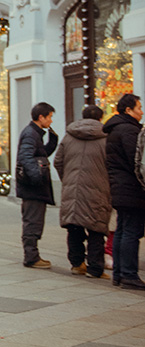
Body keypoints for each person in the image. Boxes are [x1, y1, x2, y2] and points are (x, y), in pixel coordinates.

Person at [53, 104, 111, 279]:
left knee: (74, 227)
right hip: (98, 190)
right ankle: (95, 269)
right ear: (101, 118)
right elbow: (111, 164)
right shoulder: (106, 138)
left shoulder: (69, 136)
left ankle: (77, 264)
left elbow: (58, 161)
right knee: (96, 229)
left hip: (72, 189)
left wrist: (68, 179)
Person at [103, 93, 145, 290]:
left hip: (120, 187)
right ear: (128, 110)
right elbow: (136, 161)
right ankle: (128, 274)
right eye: (139, 108)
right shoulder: (129, 130)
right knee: (131, 231)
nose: (141, 112)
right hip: (130, 188)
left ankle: (120, 273)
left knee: (122, 229)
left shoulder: (116, 129)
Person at [15, 101, 58, 268]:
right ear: (41, 117)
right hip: (32, 188)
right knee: (32, 221)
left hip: (33, 186)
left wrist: (51, 144)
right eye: (50, 117)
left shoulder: (35, 133)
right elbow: (25, 157)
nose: (51, 121)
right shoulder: (31, 133)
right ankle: (31, 257)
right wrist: (37, 178)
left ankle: (33, 254)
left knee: (35, 221)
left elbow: (38, 155)